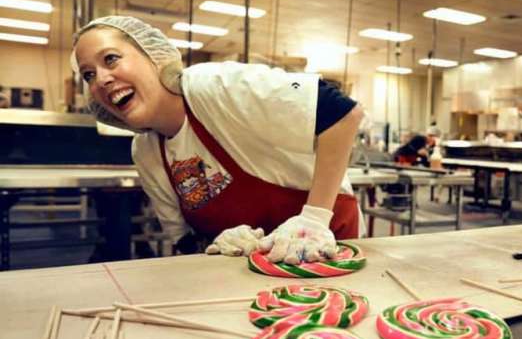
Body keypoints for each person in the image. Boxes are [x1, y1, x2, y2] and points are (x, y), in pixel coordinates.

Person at [71, 16, 364, 265]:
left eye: (111, 59)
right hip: (247, 276)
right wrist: (216, 246)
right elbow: (184, 240)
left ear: (152, 56)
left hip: (324, 252)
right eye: (88, 75)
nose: (101, 80)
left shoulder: (211, 85)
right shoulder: (147, 152)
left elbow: (341, 111)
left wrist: (313, 219)